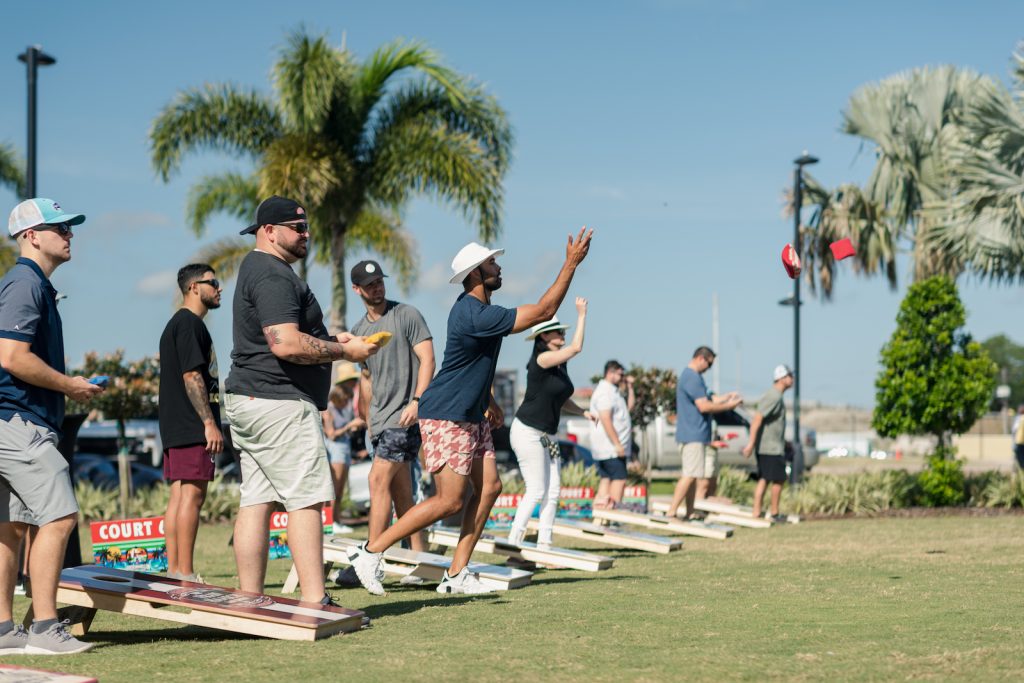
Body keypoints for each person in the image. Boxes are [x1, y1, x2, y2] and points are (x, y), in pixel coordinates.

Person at [347, 228, 593, 595]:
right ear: (476, 273)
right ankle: (370, 551)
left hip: (470, 413)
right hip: (446, 414)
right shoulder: (473, 314)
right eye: (492, 262)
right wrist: (570, 263)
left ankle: (455, 574)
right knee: (449, 500)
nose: (499, 267)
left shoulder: (481, 312)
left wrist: (488, 400)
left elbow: (472, 363)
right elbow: (544, 311)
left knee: (491, 486)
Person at [223, 195, 378, 605]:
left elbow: (282, 335)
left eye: (307, 227)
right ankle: (315, 600)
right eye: (298, 228)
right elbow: (286, 343)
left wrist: (332, 340)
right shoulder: (274, 275)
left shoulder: (256, 267)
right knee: (306, 500)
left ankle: (250, 598)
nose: (306, 234)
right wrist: (345, 353)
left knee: (257, 499)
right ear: (269, 232)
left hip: (252, 397)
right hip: (279, 402)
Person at [0, 198, 104, 654]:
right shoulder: (26, 283)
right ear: (31, 237)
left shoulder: (31, 284)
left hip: (13, 418)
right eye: (58, 227)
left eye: (69, 227)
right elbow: (11, 357)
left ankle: (4, 630)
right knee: (60, 516)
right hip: (20, 420)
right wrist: (70, 386)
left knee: (10, 526)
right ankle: (45, 627)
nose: (69, 234)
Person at [350, 260, 434, 557]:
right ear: (357, 289)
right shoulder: (359, 331)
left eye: (380, 281)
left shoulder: (407, 315)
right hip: (379, 422)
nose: (378, 287)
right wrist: (366, 416)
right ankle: (420, 557)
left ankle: (371, 556)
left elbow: (428, 359)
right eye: (370, 284)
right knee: (402, 497)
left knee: (376, 480)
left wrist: (417, 401)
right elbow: (367, 376)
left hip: (404, 417)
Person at [158, 264, 224, 583]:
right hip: (192, 425)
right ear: (195, 287)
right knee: (192, 497)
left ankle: (174, 570)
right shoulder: (189, 324)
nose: (219, 288)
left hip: (175, 426)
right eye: (214, 283)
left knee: (179, 496)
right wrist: (209, 423)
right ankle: (183, 572)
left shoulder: (178, 324)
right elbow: (192, 375)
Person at [507, 299, 591, 547]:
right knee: (536, 489)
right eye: (559, 331)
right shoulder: (542, 360)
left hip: (548, 436)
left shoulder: (559, 365)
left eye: (564, 330)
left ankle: (545, 544)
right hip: (528, 432)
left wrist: (584, 413)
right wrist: (582, 315)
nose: (563, 334)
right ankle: (513, 541)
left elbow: (561, 399)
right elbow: (576, 347)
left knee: (553, 490)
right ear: (544, 338)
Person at [667, 347, 742, 519]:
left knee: (693, 476)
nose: (709, 368)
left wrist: (728, 397)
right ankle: (671, 512)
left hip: (697, 435)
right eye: (709, 363)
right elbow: (704, 406)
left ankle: (689, 511)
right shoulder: (692, 377)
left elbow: (711, 399)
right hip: (692, 435)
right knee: (689, 475)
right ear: (701, 358)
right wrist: (729, 406)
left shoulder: (695, 378)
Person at [742, 365, 794, 521]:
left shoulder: (776, 396)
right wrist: (750, 444)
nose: (792, 379)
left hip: (772, 446)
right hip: (769, 448)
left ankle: (757, 512)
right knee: (778, 479)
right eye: (790, 375)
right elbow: (757, 419)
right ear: (782, 378)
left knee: (764, 479)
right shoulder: (774, 396)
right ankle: (774, 513)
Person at [589, 360, 635, 509]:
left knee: (606, 479)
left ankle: (600, 517)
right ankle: (611, 514)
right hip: (611, 448)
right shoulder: (605, 392)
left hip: (609, 449)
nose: (622, 378)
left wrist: (630, 387)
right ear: (610, 372)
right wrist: (617, 444)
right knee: (619, 480)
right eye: (620, 374)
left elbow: (628, 409)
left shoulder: (613, 391)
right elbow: (605, 418)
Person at [322, 383, 362, 535]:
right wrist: (349, 426)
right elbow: (331, 434)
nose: (347, 403)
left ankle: (337, 520)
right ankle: (330, 522)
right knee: (334, 489)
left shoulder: (343, 409)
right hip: (335, 450)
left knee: (340, 491)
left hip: (345, 448)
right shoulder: (329, 409)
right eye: (346, 400)